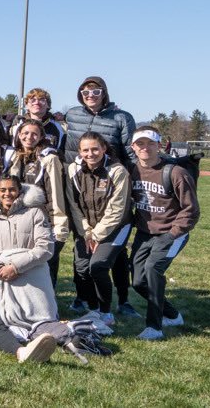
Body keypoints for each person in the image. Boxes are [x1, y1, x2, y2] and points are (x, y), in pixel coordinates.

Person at [0, 176, 62, 362]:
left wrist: (15, 266)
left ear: (20, 191)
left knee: (40, 318)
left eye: (12, 189)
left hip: (30, 276)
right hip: (0, 277)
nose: (8, 194)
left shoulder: (35, 213)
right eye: (3, 190)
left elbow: (45, 247)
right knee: (5, 321)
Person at [127, 127, 199, 340]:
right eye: (140, 144)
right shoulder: (132, 171)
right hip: (144, 233)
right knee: (138, 282)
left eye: (150, 143)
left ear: (159, 145)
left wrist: (174, 233)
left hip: (171, 233)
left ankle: (154, 327)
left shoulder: (175, 172)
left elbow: (191, 209)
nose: (145, 148)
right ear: (133, 147)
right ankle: (172, 315)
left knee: (152, 270)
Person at [66, 131, 132, 330]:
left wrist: (96, 235)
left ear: (104, 149)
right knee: (82, 268)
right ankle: (93, 308)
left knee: (98, 266)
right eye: (85, 150)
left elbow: (117, 208)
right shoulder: (73, 170)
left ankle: (106, 312)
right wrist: (86, 231)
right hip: (86, 229)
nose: (90, 153)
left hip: (116, 227)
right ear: (79, 151)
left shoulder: (117, 171)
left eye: (95, 149)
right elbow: (74, 205)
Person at [11, 119, 71, 285]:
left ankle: (51, 307)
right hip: (21, 219)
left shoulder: (49, 158)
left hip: (44, 220)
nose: (29, 137)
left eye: (34, 133)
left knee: (46, 263)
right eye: (25, 133)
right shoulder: (15, 157)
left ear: (41, 136)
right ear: (18, 135)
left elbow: (55, 194)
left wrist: (57, 223)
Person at [64, 76, 137, 166]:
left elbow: (130, 154)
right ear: (81, 95)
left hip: (108, 174)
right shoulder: (72, 114)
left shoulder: (123, 118)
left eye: (96, 92)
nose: (90, 95)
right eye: (86, 92)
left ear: (103, 94)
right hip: (74, 173)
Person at [13, 88, 67, 155]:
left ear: (48, 105)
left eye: (42, 100)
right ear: (26, 105)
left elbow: (61, 151)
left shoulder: (59, 126)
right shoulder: (17, 124)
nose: (37, 103)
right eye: (33, 100)